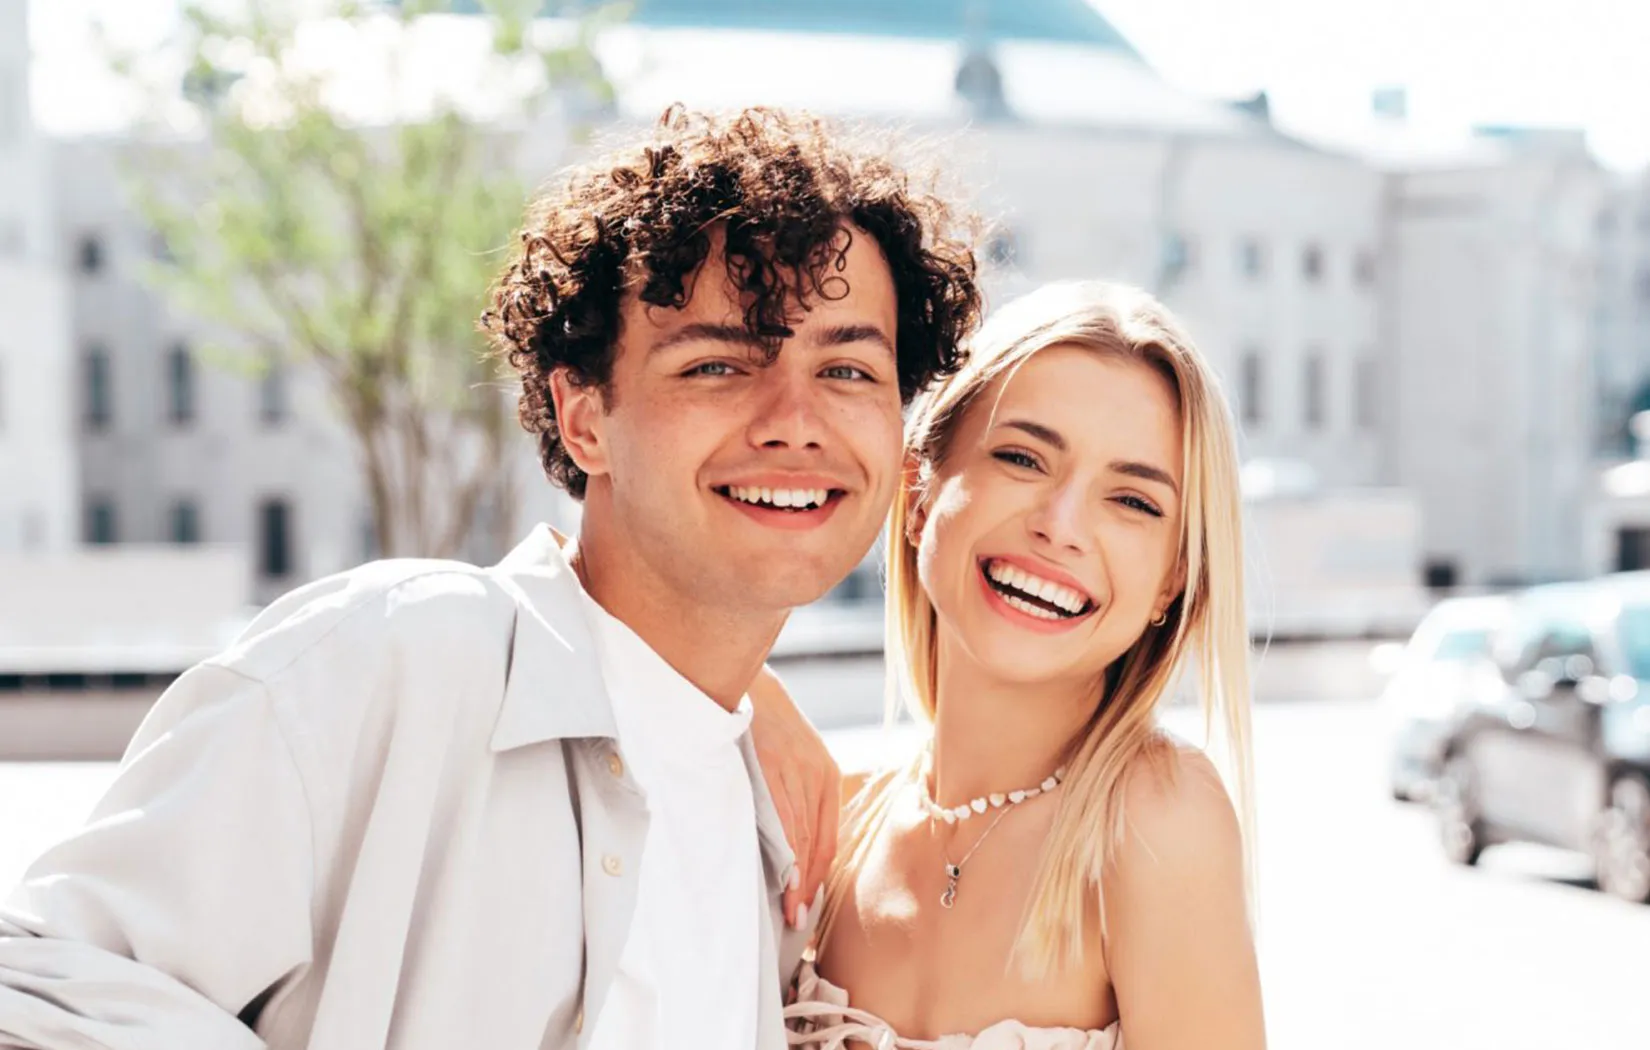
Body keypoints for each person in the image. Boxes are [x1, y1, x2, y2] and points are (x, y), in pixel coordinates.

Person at [0, 106, 982, 1050]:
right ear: (583, 417)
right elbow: (36, 983)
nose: (793, 417)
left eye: (849, 372)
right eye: (719, 366)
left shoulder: (776, 825)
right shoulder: (396, 660)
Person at [779, 281, 1266, 1048]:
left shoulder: (1157, 819)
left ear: (1173, 579)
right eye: (1022, 458)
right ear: (918, 492)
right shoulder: (839, 827)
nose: (1060, 526)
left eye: (1133, 501)